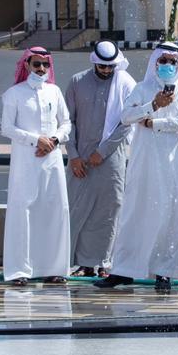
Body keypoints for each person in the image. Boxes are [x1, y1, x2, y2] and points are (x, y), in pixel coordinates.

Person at [96, 42, 178, 294]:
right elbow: (125, 117)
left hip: (174, 163)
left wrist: (156, 123)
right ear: (155, 62)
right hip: (145, 162)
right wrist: (153, 105)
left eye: (173, 61)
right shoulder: (143, 89)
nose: (167, 65)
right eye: (162, 60)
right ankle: (124, 270)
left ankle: (165, 272)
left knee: (169, 214)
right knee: (136, 211)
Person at [1, 46, 72, 286]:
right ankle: (19, 271)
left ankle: (54, 268)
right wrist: (36, 140)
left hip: (52, 160)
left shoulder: (54, 91)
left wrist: (53, 140)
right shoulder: (14, 93)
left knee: (55, 210)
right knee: (23, 212)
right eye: (36, 64)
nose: (41, 69)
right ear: (26, 65)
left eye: (45, 65)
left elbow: (66, 123)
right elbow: (7, 128)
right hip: (26, 161)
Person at [66, 41, 137, 277]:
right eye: (103, 67)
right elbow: (68, 122)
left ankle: (103, 262)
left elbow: (127, 123)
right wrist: (74, 156)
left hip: (112, 156)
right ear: (95, 63)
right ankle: (82, 263)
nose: (107, 71)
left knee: (109, 208)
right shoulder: (77, 82)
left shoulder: (126, 84)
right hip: (81, 157)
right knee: (79, 208)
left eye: (111, 67)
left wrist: (103, 151)